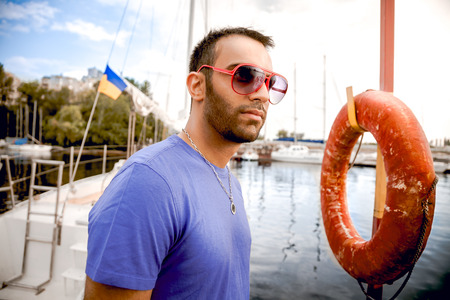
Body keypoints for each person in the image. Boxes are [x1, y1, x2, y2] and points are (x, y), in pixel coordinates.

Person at [84, 26, 288, 299]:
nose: (262, 95)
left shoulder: (230, 182)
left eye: (270, 83)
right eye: (245, 76)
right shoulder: (148, 182)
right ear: (197, 86)